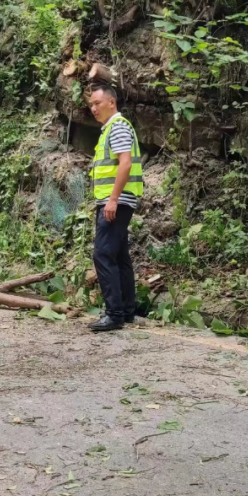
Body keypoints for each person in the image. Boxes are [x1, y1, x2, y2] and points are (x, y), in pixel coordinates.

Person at [87, 86, 144, 332]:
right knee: (119, 255)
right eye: (91, 104)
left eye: (98, 103)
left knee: (102, 254)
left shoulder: (118, 127)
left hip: (116, 202)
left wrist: (112, 199)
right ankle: (127, 310)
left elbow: (125, 164)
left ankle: (114, 313)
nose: (93, 108)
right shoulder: (111, 129)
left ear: (112, 102)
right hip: (117, 200)